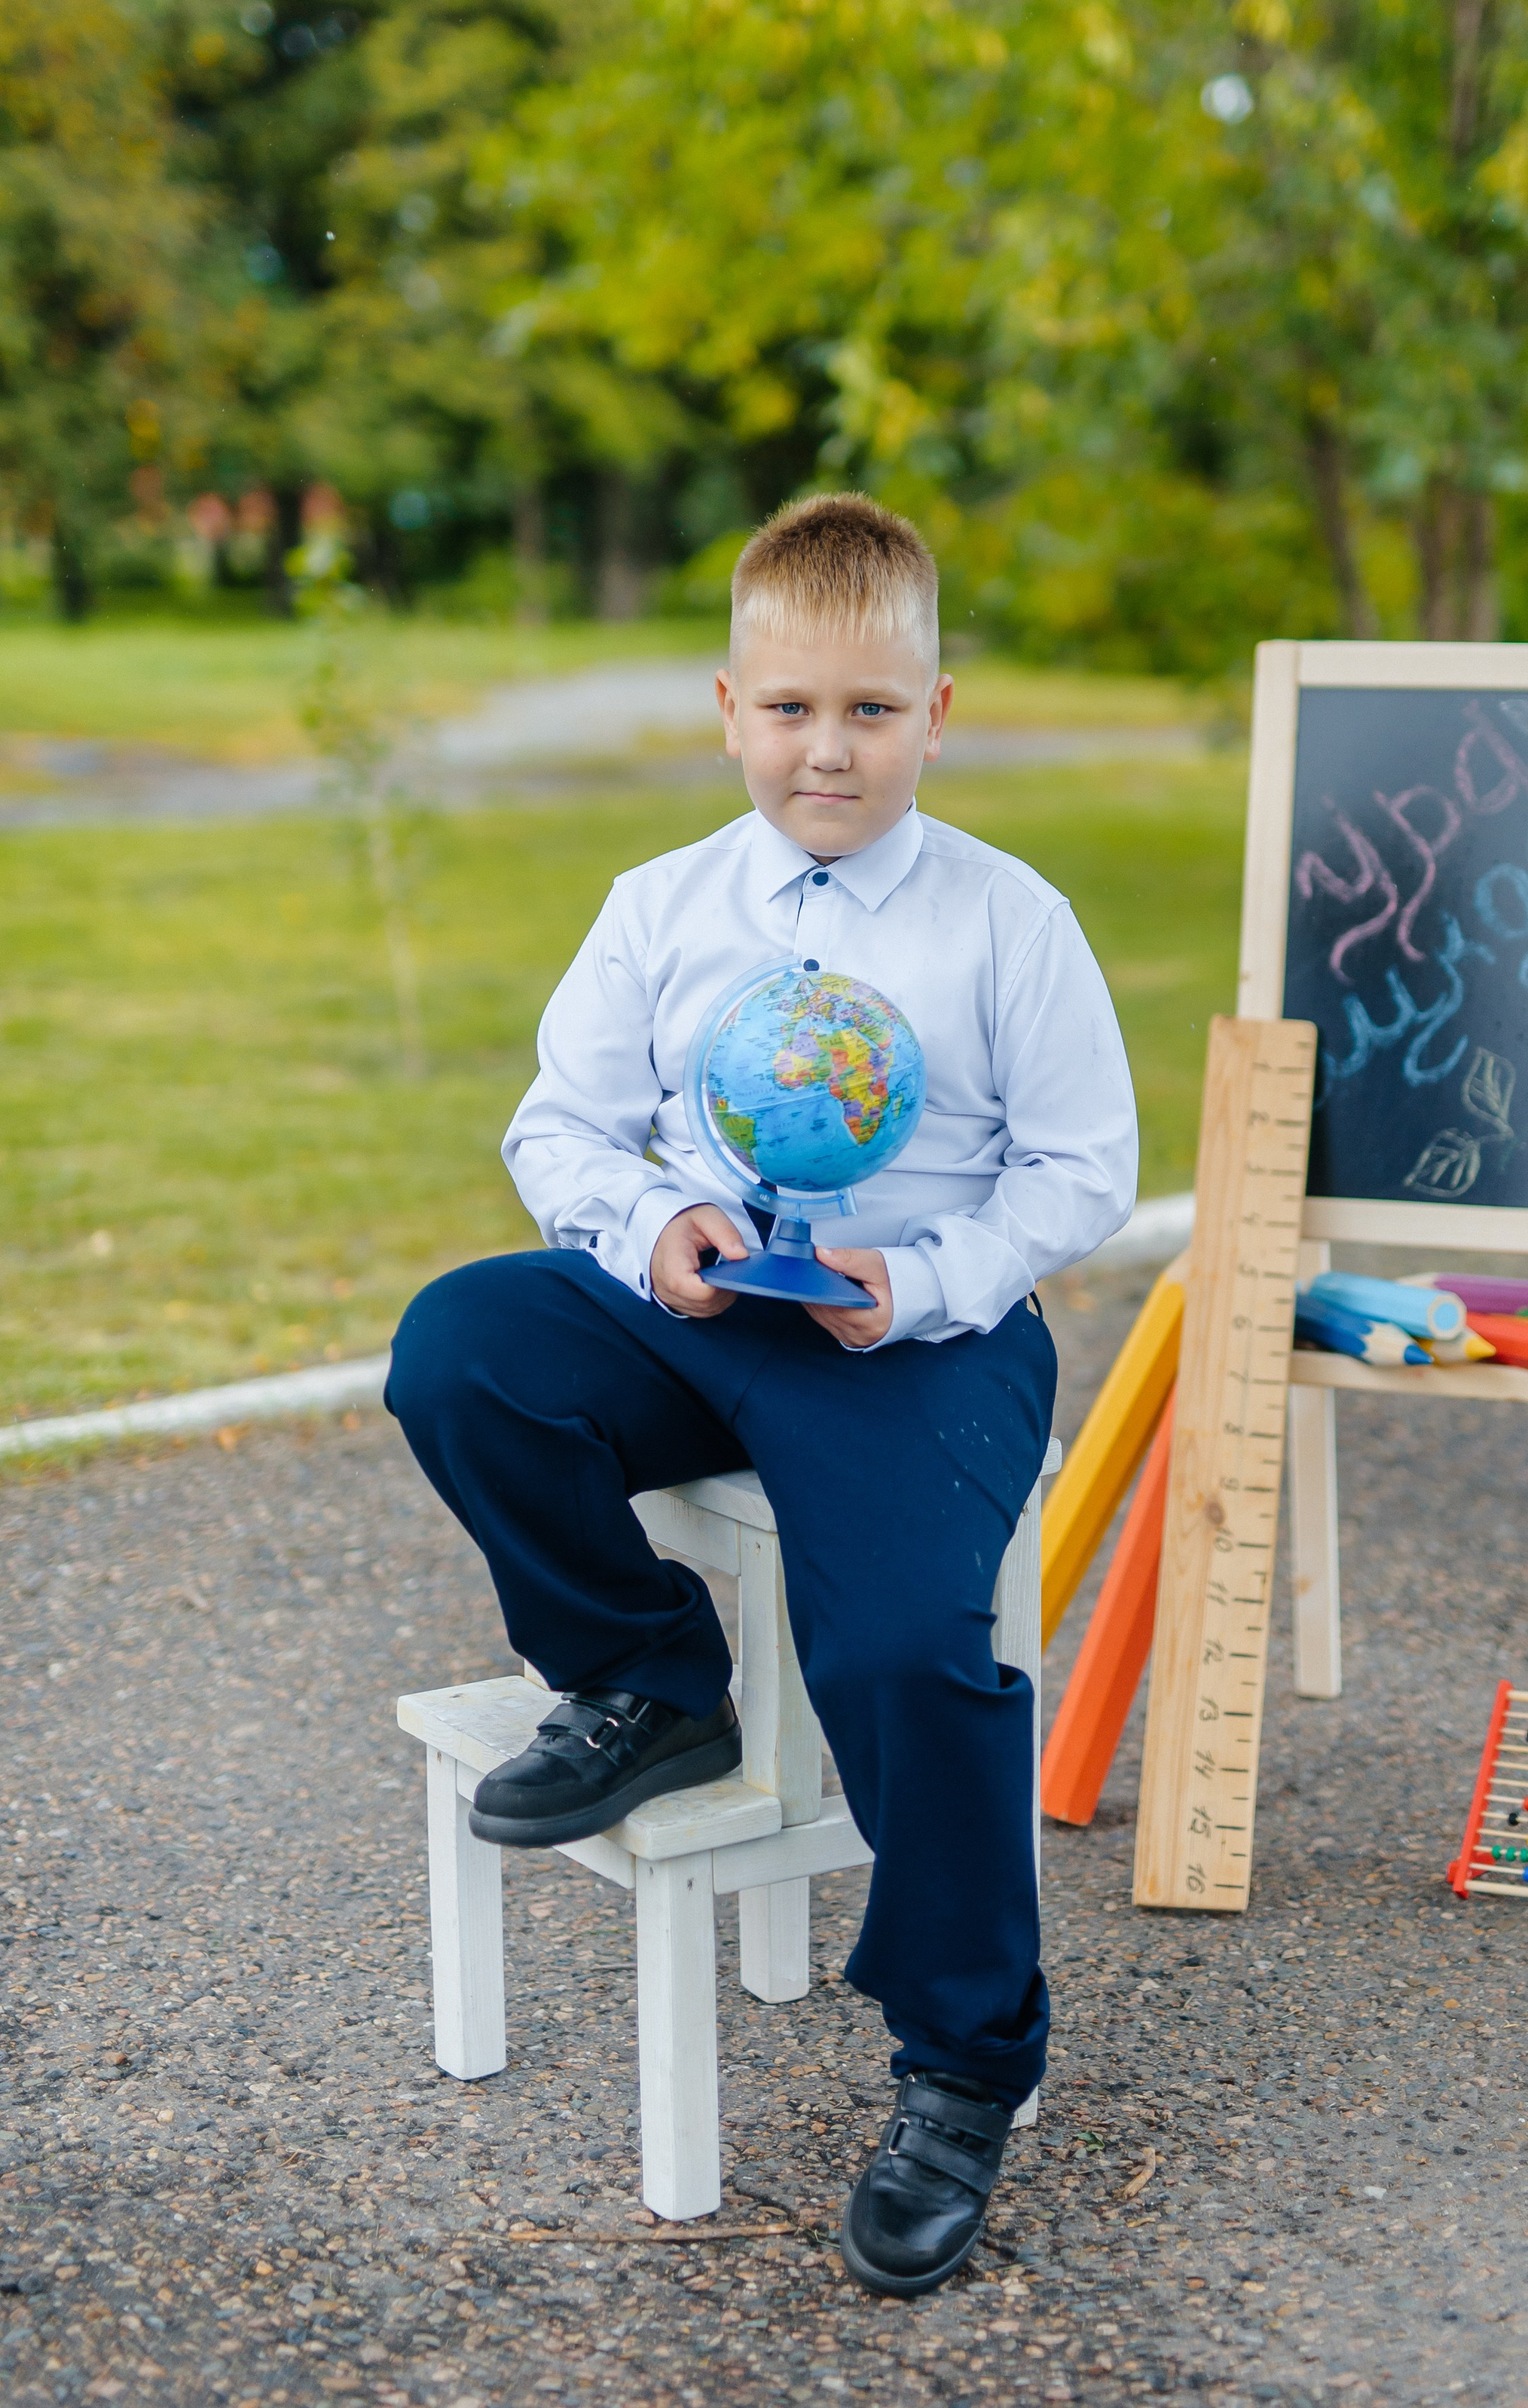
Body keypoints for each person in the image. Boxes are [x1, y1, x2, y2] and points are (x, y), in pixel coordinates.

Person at [387, 494, 1137, 2296]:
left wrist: (927, 1281)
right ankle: (648, 1679)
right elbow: (555, 1125)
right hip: (703, 1306)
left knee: (899, 1651)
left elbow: (1082, 1168)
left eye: (870, 712)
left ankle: (964, 2054)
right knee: (462, 1352)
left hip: (923, 1333)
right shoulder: (661, 908)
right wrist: (653, 1225)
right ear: (728, 708)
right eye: (791, 709)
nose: (828, 748)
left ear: (936, 715)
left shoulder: (1003, 920)